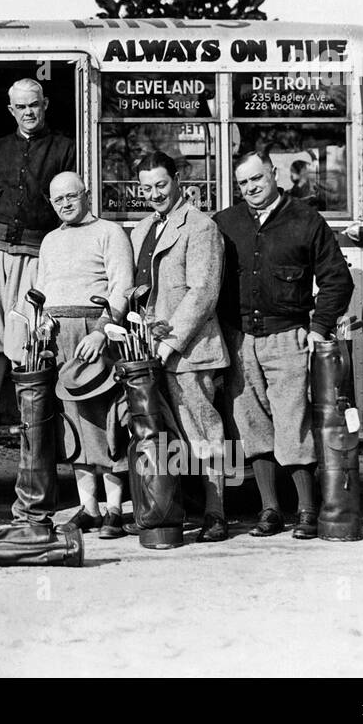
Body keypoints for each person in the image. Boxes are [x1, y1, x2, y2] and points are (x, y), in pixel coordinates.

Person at [213, 150, 352, 539]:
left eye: (257, 178)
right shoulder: (226, 222)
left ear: (274, 174)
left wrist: (319, 326)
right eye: (243, 183)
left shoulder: (306, 219)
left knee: (294, 422)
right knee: (250, 423)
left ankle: (308, 511)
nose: (251, 188)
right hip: (240, 340)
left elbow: (338, 279)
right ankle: (270, 510)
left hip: (288, 336)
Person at [0, 78, 77, 432]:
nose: (29, 112)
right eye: (22, 107)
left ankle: (29, 412)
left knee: (29, 332)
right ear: (12, 110)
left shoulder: (66, 148)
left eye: (35, 105)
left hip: (37, 252)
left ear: (45, 105)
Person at [131, 152, 230, 542]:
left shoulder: (201, 227)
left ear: (177, 180)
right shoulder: (142, 230)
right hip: (150, 351)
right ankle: (173, 509)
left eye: (161, 185)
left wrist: (169, 344)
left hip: (190, 351)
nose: (155, 194)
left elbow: (203, 292)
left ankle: (217, 513)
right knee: (165, 437)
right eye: (147, 188)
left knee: (204, 432)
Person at [29, 171, 133, 535]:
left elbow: (123, 285)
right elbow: (42, 288)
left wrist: (105, 328)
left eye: (72, 196)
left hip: (95, 334)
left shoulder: (109, 232)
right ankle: (88, 508)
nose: (66, 204)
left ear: (86, 195)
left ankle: (116, 510)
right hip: (59, 336)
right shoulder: (49, 241)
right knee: (71, 423)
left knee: (106, 421)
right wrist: (41, 324)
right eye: (58, 200)